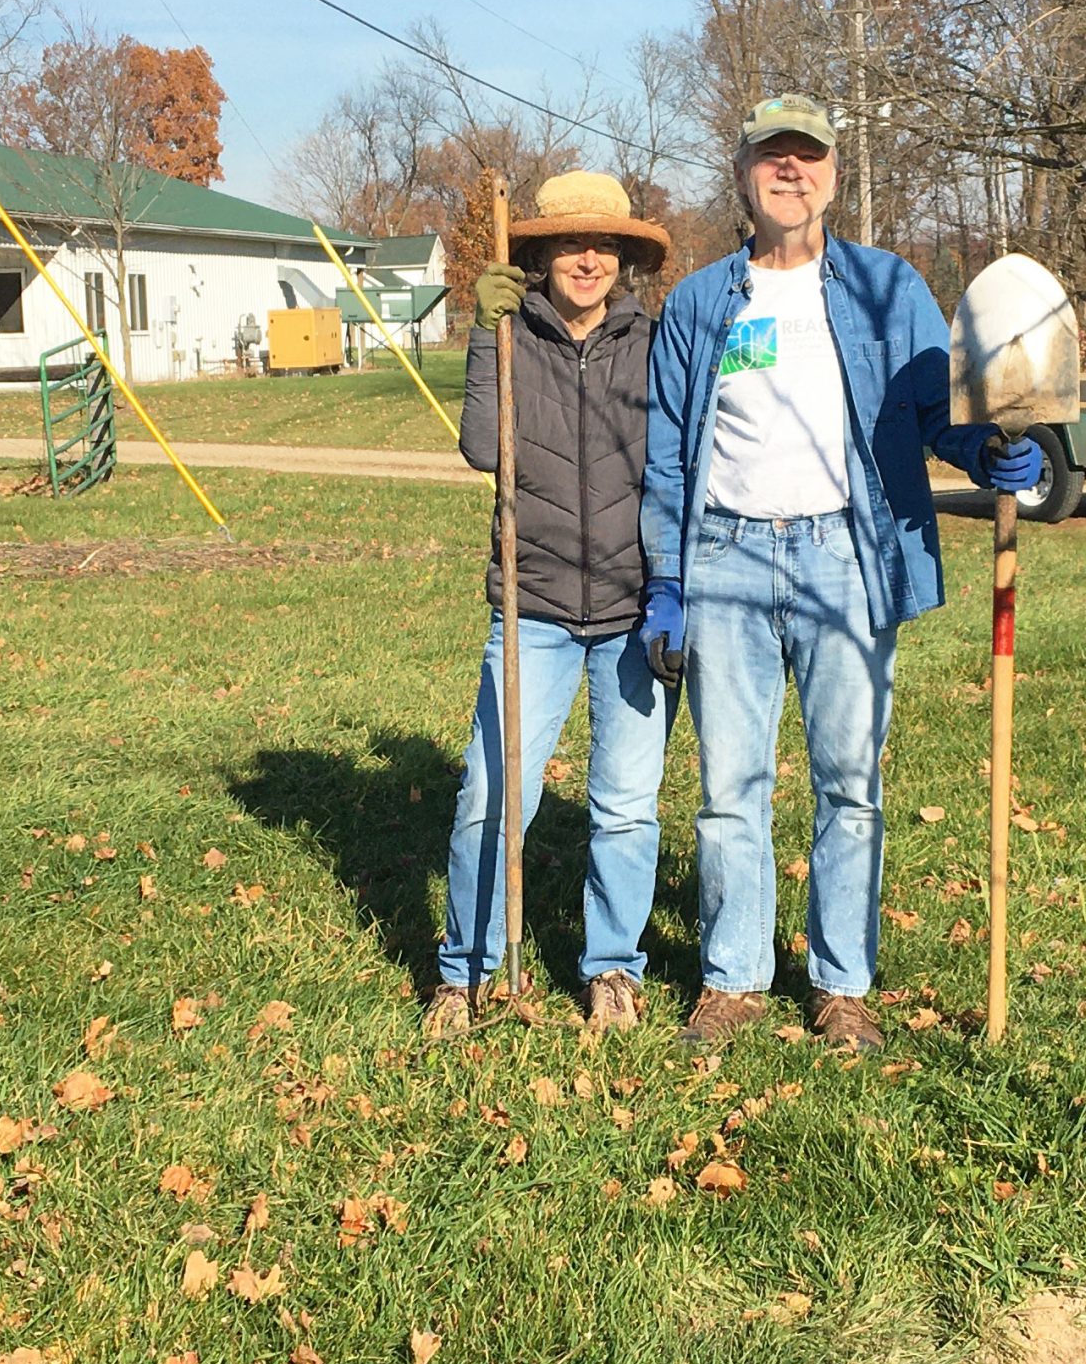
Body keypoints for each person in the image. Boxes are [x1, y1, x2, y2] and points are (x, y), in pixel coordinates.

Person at [638, 94, 1043, 1053]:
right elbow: (666, 453)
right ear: (741, 175)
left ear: (833, 174)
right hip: (724, 557)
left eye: (807, 157)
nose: (790, 172)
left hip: (845, 557)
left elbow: (934, 406)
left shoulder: (885, 288)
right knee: (730, 783)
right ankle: (733, 980)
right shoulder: (699, 303)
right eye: (771, 158)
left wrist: (990, 455)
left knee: (849, 782)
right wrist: (667, 579)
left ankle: (840, 985)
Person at [425, 170, 673, 1040]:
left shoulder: (653, 339)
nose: (589, 257)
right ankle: (467, 970)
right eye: (571, 241)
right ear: (537, 253)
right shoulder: (509, 331)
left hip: (633, 611)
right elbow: (479, 446)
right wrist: (482, 332)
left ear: (625, 258)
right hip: (531, 609)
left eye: (604, 243)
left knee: (625, 806)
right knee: (491, 796)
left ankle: (612, 968)